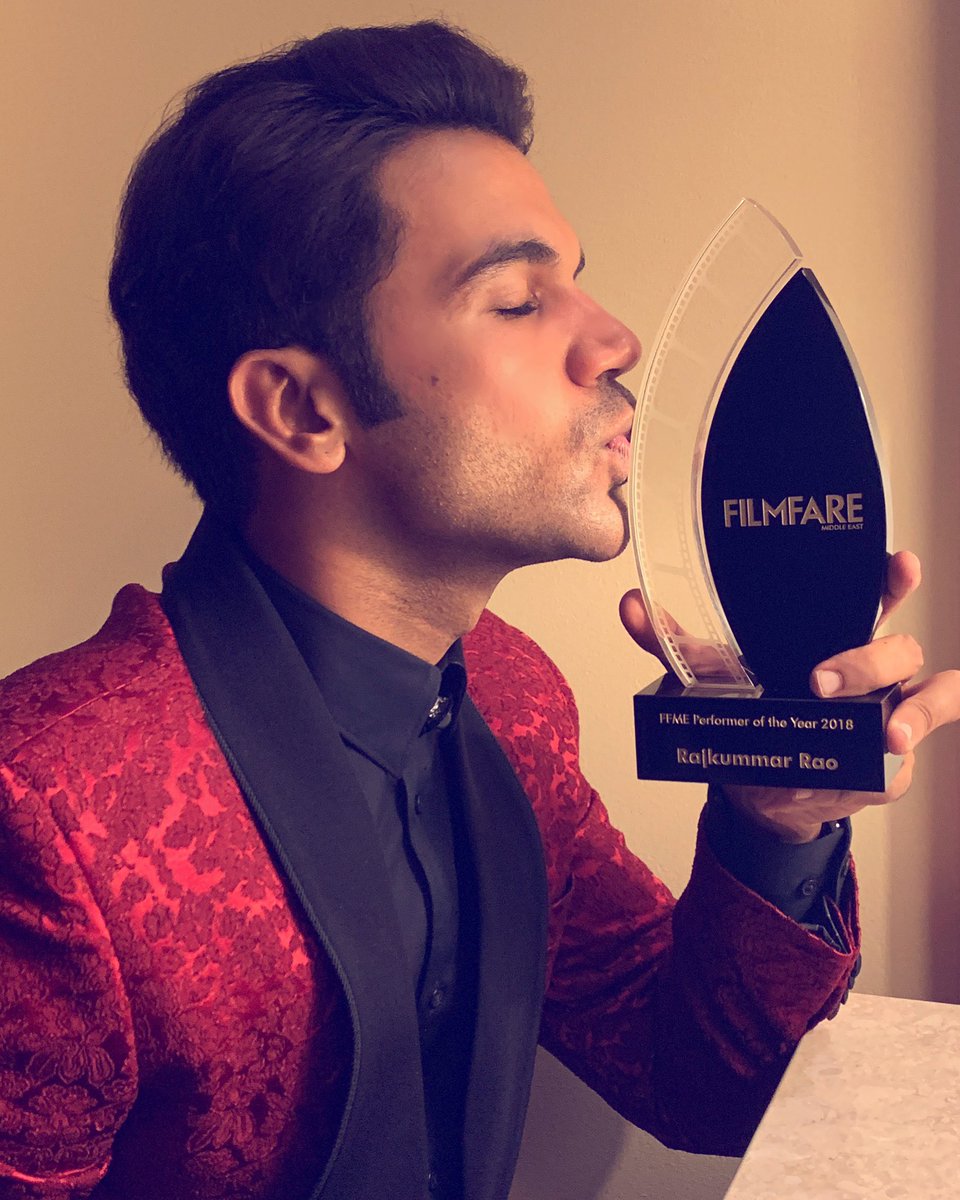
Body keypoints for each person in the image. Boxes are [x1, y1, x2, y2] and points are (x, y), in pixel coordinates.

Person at [0, 20, 956, 1200]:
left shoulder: (511, 693)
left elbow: (698, 1081)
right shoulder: (45, 808)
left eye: (576, 281)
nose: (614, 340)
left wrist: (778, 815)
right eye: (517, 300)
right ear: (301, 409)